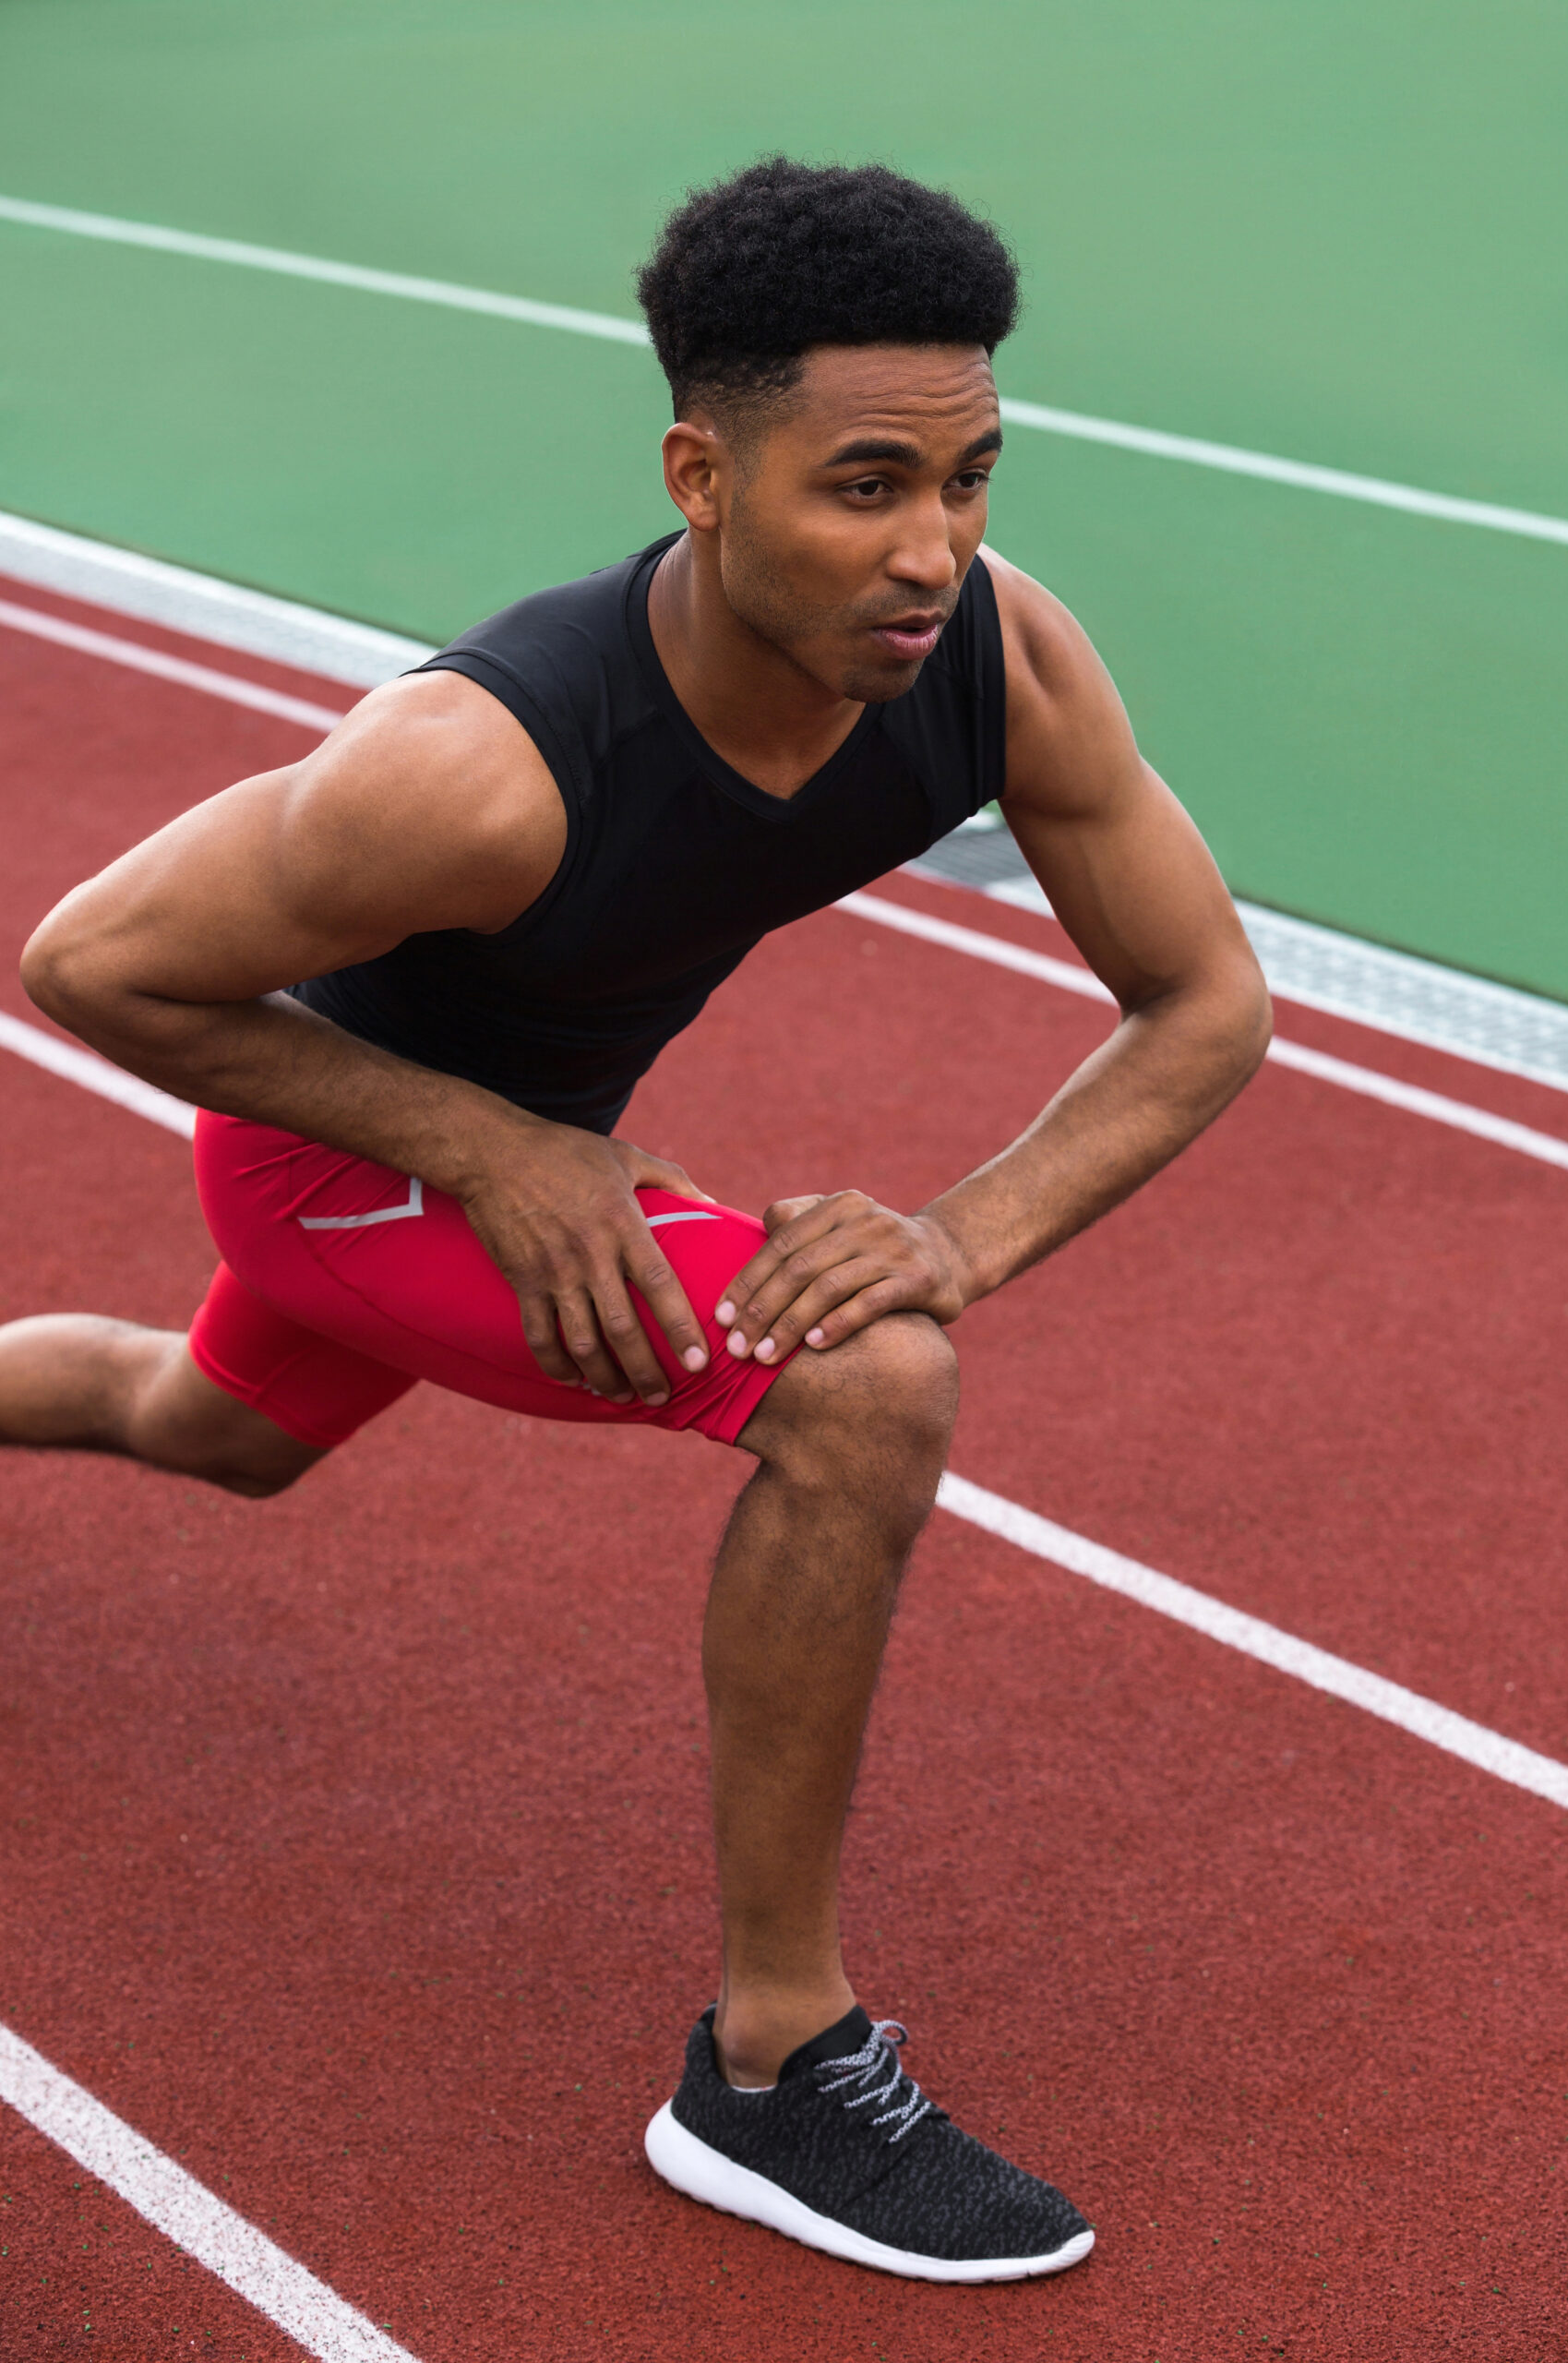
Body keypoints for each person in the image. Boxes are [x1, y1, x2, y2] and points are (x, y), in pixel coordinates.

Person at [5, 159, 1270, 2282]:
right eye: (862, 485)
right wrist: (488, 1146)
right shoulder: (470, 770)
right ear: (698, 469)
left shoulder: (993, 657)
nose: (930, 549)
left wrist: (963, 1223)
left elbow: (1205, 997)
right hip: (339, 1155)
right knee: (856, 1383)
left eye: (967, 476)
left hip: (509, 1160)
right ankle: (770, 2070)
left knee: (208, 1422)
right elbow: (90, 965)